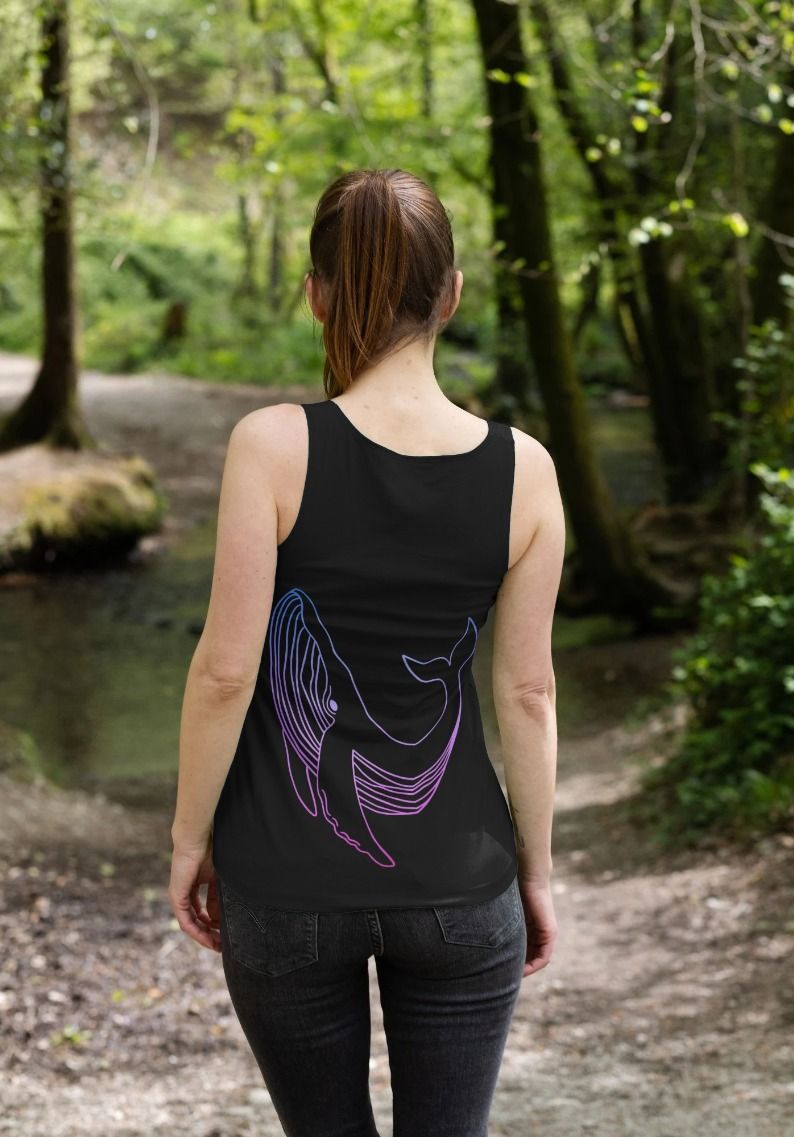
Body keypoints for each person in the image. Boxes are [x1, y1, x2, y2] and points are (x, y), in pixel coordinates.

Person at [168, 167, 564, 1137]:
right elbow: (528, 693)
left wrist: (189, 841)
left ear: (317, 293)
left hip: (283, 883)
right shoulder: (526, 471)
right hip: (461, 884)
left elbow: (227, 670)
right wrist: (538, 869)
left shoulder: (270, 447)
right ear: (453, 292)